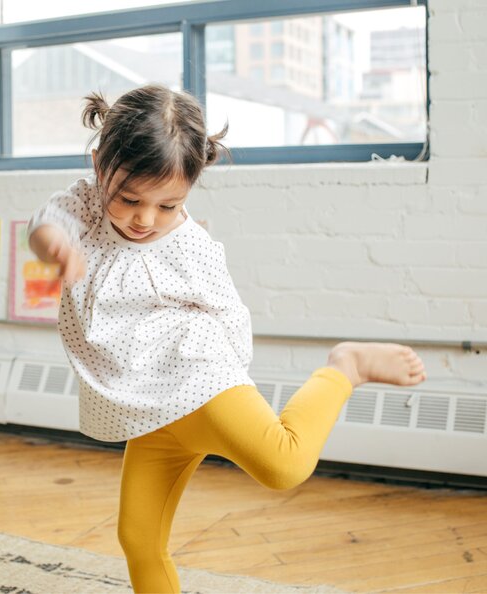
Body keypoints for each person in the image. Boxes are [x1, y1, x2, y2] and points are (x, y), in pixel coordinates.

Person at [27, 85, 427, 593]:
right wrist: (54, 246)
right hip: (145, 409)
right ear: (98, 166)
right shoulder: (82, 206)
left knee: (284, 464)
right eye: (129, 199)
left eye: (168, 205)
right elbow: (45, 224)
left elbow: (228, 315)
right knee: (139, 539)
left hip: (200, 381)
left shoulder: (191, 245)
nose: (145, 219)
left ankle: (344, 366)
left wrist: (233, 384)